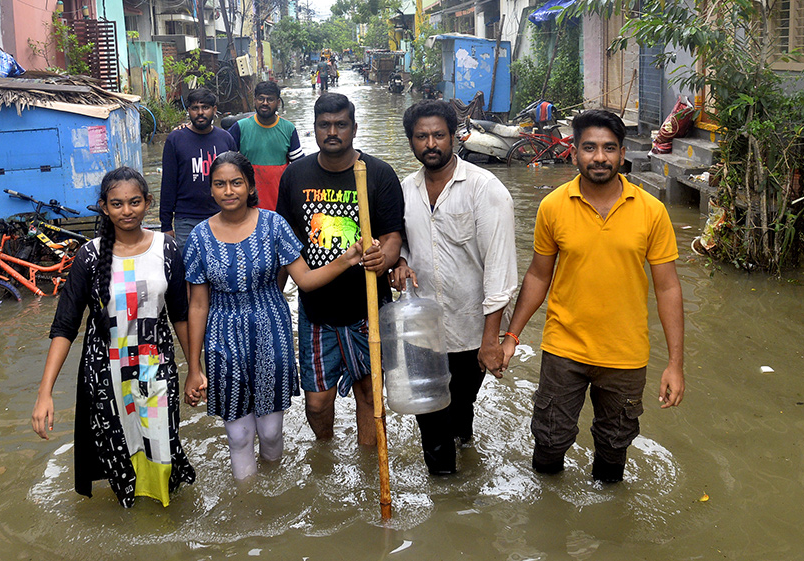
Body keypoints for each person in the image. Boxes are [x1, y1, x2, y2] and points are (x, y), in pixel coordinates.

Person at [498, 109, 685, 484]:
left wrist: (675, 364)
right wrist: (511, 336)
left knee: (615, 448)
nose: (599, 157)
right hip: (564, 349)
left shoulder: (651, 211)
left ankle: (608, 529)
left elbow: (668, 287)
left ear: (621, 154)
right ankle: (549, 521)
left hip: (625, 355)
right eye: (590, 147)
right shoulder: (553, 206)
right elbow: (538, 276)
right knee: (549, 441)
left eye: (608, 148)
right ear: (573, 153)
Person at [183, 152, 377, 479]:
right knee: (239, 435)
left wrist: (347, 259)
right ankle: (248, 510)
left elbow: (304, 279)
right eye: (220, 184)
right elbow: (198, 305)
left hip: (271, 333)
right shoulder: (199, 237)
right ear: (211, 190)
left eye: (236, 183)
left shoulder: (274, 225)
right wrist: (193, 367)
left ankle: (273, 495)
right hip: (223, 339)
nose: (229, 191)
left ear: (249, 186)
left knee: (271, 433)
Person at [32, 167, 195, 507]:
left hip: (156, 369)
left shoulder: (167, 249)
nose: (127, 211)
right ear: (104, 207)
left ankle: (164, 521)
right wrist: (44, 393)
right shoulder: (89, 257)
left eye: (134, 202)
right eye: (117, 204)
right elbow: (65, 326)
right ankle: (136, 521)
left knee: (162, 448)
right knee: (121, 453)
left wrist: (195, 369)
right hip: (105, 374)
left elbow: (181, 315)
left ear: (148, 203)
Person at [388, 100, 518, 475]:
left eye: (438, 136)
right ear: (411, 141)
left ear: (455, 137)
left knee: (460, 408)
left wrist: (491, 340)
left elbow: (500, 271)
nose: (431, 144)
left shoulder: (485, 189)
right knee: (431, 420)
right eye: (422, 136)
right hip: (422, 329)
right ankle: (445, 492)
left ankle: (465, 452)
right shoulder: (404, 191)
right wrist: (399, 262)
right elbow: (402, 244)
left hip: (470, 329)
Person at [276, 93, 404, 445]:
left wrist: (386, 258)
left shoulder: (379, 174)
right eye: (324, 125)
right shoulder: (295, 176)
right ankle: (325, 455)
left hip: (367, 309)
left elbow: (393, 235)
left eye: (341, 125)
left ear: (354, 128)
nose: (332, 132)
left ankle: (366, 468)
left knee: (369, 395)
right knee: (317, 402)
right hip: (316, 310)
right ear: (314, 129)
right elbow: (285, 244)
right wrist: (273, 295)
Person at [157, 87, 237, 248]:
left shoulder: (225, 139)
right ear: (189, 111)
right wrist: (166, 225)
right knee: (188, 267)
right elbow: (168, 183)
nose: (200, 113)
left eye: (205, 107)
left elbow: (237, 181)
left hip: (222, 215)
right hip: (186, 219)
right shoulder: (176, 139)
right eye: (195, 108)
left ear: (214, 110)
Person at [227, 81, 302, 211]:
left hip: (279, 204)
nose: (265, 103)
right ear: (255, 100)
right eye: (261, 99)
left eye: (270, 99)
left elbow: (299, 168)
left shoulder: (289, 129)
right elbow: (223, 161)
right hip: (248, 205)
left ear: (278, 102)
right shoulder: (240, 127)